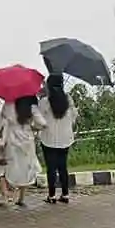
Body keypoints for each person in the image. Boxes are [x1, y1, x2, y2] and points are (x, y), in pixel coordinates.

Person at [0, 95, 46, 206]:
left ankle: (6, 195)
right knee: (25, 168)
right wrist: (33, 127)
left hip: (12, 139)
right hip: (27, 140)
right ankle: (21, 198)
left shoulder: (8, 105)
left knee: (5, 167)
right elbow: (42, 123)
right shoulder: (31, 107)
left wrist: (1, 141)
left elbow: (2, 122)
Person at [38, 74, 79, 204]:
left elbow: (38, 120)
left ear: (49, 86)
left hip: (48, 138)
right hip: (65, 137)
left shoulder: (45, 101)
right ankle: (65, 194)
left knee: (51, 168)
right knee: (63, 167)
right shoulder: (68, 99)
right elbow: (73, 116)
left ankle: (51, 196)